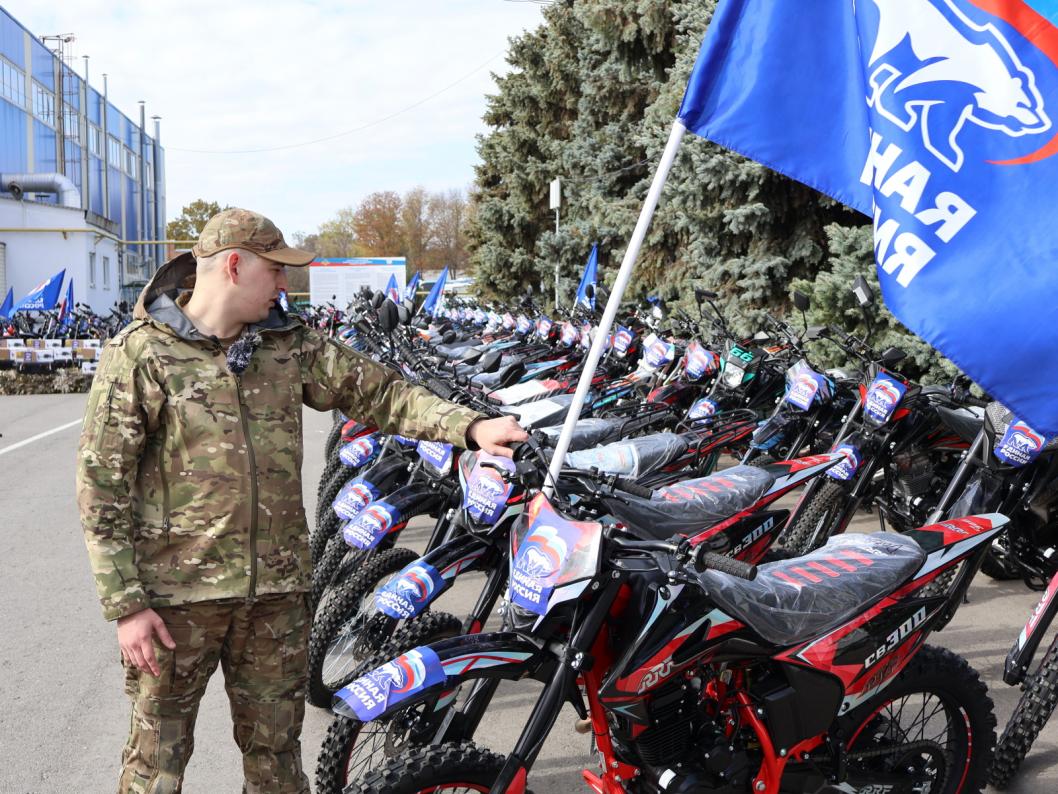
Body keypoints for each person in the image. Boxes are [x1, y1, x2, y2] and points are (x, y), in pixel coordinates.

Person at [76, 208, 526, 793]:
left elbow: (381, 393)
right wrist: (126, 606)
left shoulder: (289, 346)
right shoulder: (141, 355)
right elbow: (100, 485)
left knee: (277, 759)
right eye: (276, 270)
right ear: (234, 266)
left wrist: (469, 427)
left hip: (277, 597)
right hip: (175, 603)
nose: (285, 284)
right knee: (155, 762)